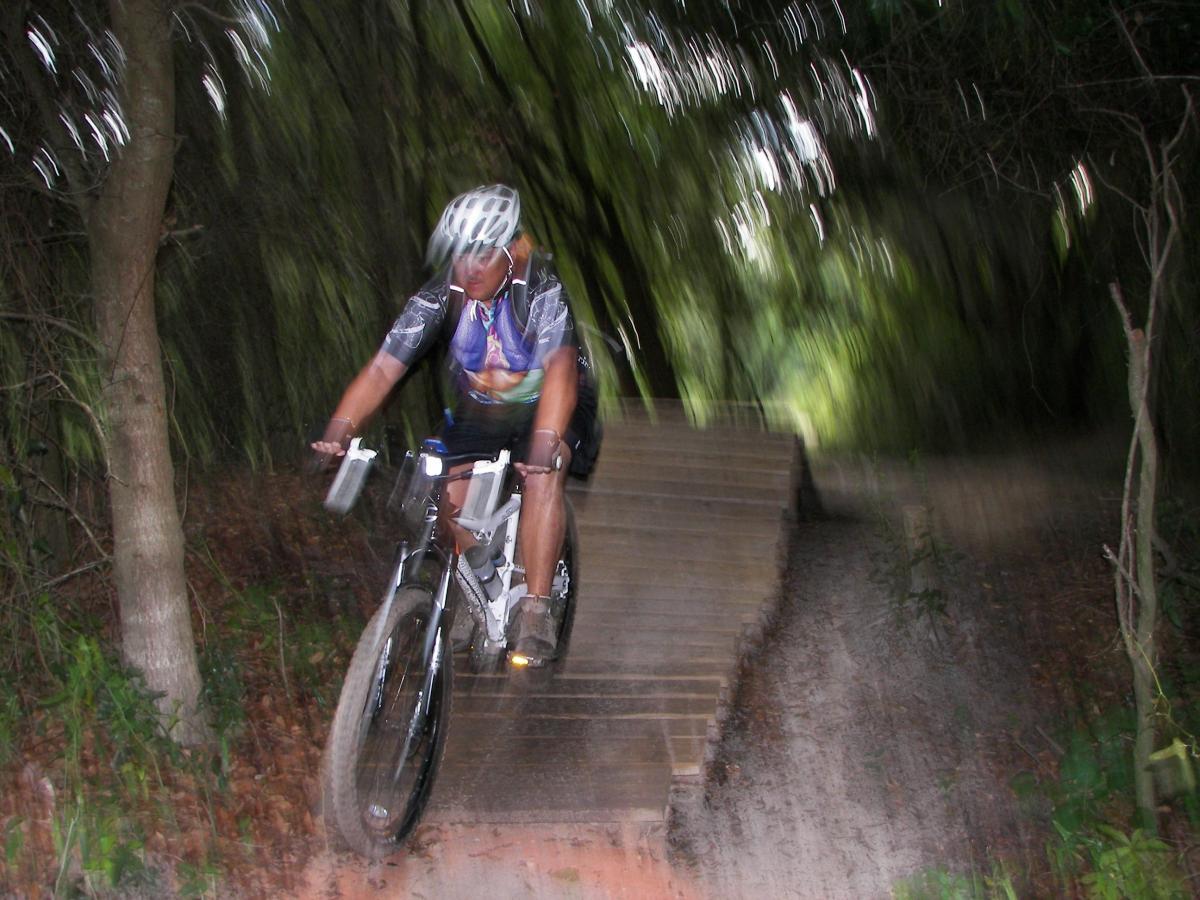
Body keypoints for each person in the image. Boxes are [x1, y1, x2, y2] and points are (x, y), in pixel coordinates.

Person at [311, 184, 595, 665]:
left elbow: (563, 372)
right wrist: (340, 428)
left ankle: (536, 609)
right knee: (442, 492)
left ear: (509, 251)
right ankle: (473, 582)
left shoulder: (541, 289)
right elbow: (383, 368)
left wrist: (547, 444)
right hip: (483, 407)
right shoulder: (440, 295)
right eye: (462, 253)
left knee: (544, 474)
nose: (471, 266)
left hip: (553, 399)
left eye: (485, 253)